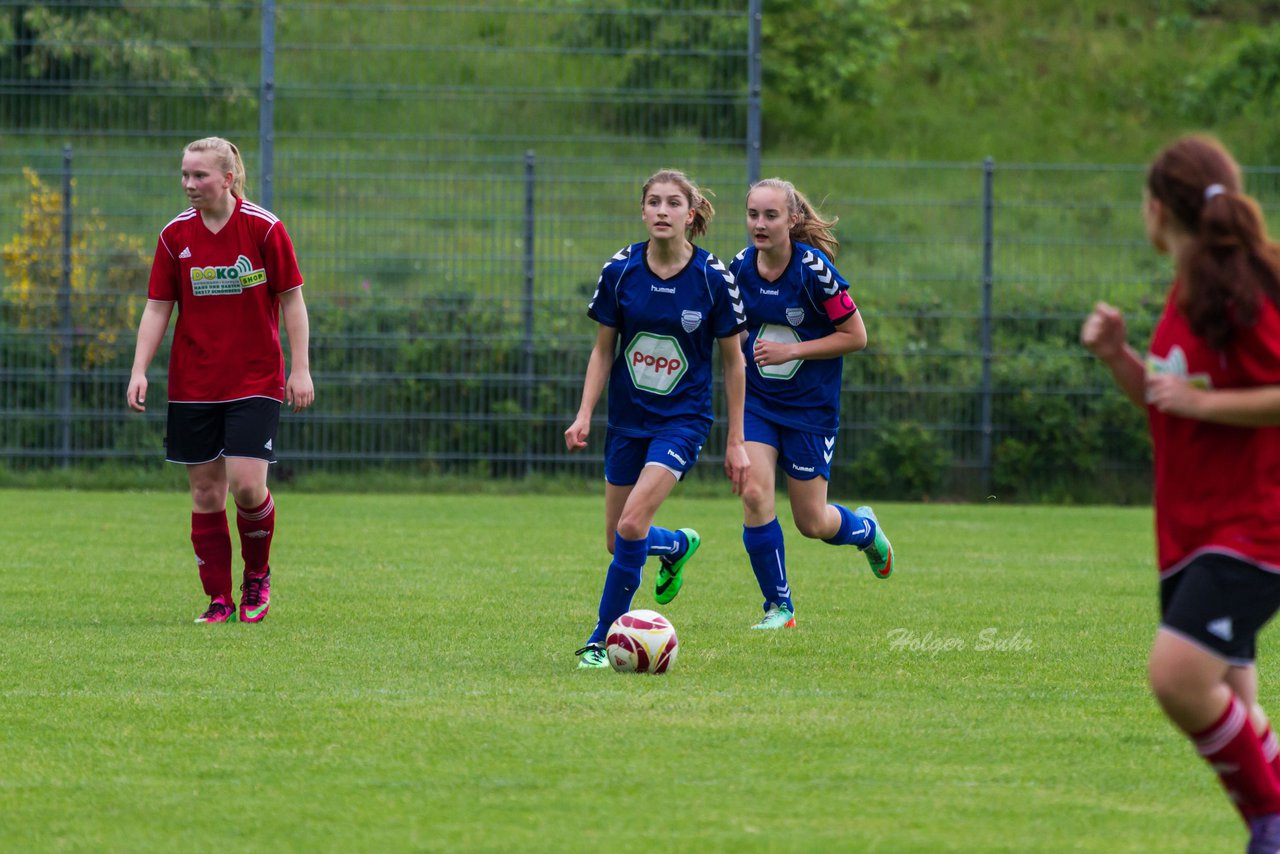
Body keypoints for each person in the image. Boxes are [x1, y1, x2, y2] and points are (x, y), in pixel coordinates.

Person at [1081, 134, 1280, 852]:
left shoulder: (1255, 292)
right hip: (1191, 532)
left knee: (1176, 676)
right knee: (1241, 714)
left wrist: (1204, 408)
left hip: (1254, 527)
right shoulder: (1190, 289)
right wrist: (1118, 358)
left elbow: (1228, 400)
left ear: (1159, 209)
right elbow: (1171, 400)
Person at [565, 169, 750, 668]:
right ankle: (675, 544)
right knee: (617, 539)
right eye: (654, 202)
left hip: (683, 422)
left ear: (691, 215)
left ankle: (600, 641)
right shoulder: (621, 271)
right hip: (627, 422)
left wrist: (737, 439)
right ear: (643, 211)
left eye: (673, 203)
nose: (662, 211)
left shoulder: (713, 278)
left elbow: (735, 361)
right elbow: (603, 351)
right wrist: (584, 414)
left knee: (629, 524)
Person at [127, 137, 313, 624]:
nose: (190, 184)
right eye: (185, 175)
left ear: (228, 178)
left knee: (247, 487)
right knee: (207, 493)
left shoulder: (264, 229)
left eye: (200, 176)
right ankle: (218, 600)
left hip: (255, 377)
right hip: (194, 382)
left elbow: (292, 299)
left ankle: (256, 576)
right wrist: (139, 369)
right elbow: (157, 307)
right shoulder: (174, 237)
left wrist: (301, 368)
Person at [729, 178, 893, 631]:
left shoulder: (813, 271)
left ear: (792, 220)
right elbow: (734, 330)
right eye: (753, 215)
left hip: (810, 411)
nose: (759, 225)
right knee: (755, 494)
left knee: (812, 522)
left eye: (770, 216)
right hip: (760, 402)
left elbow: (856, 337)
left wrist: (791, 351)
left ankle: (865, 532)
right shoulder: (740, 267)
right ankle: (779, 609)